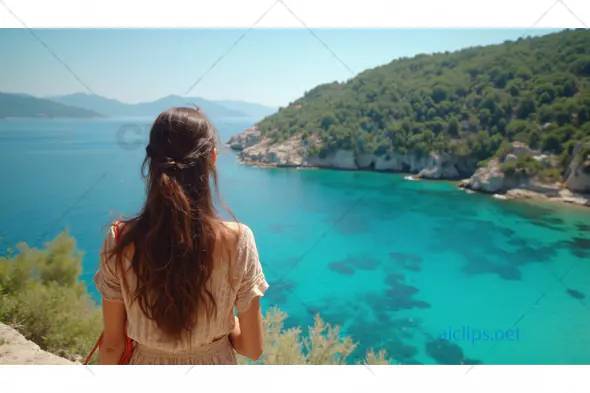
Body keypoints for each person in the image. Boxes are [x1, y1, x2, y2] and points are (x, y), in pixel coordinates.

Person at [94, 107, 269, 365]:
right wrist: (227, 325)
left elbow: (112, 347)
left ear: (152, 160)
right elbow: (253, 349)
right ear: (212, 158)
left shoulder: (120, 238)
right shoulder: (239, 240)